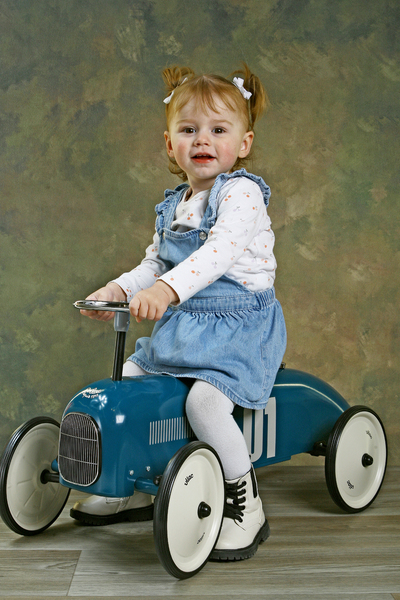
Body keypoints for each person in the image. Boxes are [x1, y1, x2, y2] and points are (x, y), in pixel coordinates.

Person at [71, 64, 286, 561]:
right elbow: (154, 263)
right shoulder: (174, 205)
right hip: (185, 328)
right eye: (189, 129)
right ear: (171, 146)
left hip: (237, 330)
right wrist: (119, 288)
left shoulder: (241, 194)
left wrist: (167, 290)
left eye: (218, 129)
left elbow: (218, 254)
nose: (202, 139)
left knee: (204, 406)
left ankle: (245, 504)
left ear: (244, 143)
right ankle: (122, 482)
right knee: (125, 385)